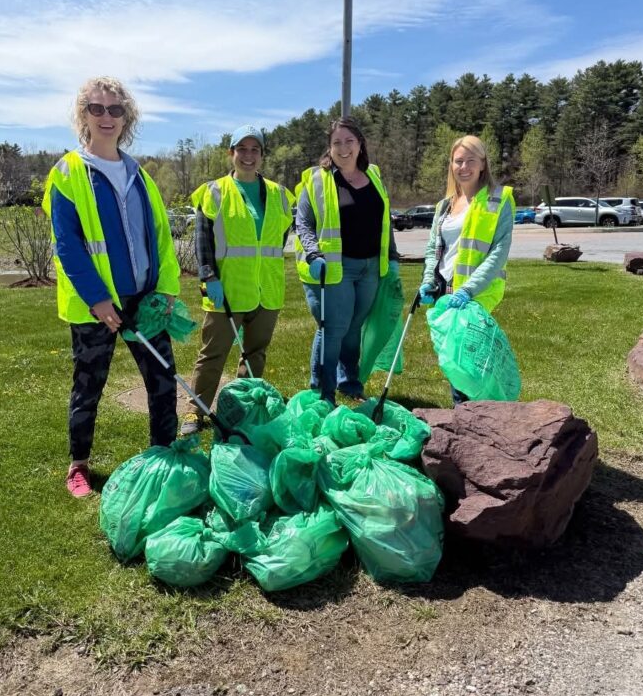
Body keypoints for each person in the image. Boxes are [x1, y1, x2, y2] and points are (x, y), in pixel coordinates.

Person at [43, 76, 180, 496]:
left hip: (144, 300)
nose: (107, 117)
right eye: (97, 109)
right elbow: (67, 246)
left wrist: (167, 289)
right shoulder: (67, 173)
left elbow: (161, 238)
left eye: (116, 110)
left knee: (163, 380)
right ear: (83, 115)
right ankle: (79, 465)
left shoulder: (140, 175)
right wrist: (99, 299)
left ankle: (164, 455)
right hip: (95, 308)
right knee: (89, 386)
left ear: (126, 118)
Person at [180, 126, 294, 436]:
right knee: (212, 353)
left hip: (267, 289)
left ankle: (242, 407)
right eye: (241, 149)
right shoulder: (215, 191)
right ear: (231, 153)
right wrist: (208, 275)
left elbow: (278, 239)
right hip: (226, 289)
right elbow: (202, 239)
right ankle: (196, 410)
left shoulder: (279, 195)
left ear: (262, 155)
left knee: (255, 353)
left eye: (255, 149)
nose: (248, 155)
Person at [294, 117, 399, 404]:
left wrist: (392, 257)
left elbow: (384, 221)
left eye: (349, 141)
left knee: (354, 329)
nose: (343, 148)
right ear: (329, 148)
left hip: (370, 268)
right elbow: (303, 223)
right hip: (336, 267)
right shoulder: (317, 180)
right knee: (333, 329)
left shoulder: (374, 175)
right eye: (337, 142)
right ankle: (323, 391)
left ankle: (349, 383)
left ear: (360, 144)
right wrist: (313, 252)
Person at [418, 134, 515, 404]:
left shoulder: (498, 200)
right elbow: (433, 249)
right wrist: (428, 280)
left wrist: (468, 290)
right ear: (451, 165)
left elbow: (499, 251)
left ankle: (475, 413)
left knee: (470, 362)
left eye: (471, 160)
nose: (464, 167)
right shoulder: (445, 205)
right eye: (458, 161)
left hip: (475, 292)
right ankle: (464, 415)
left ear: (483, 164)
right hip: (445, 290)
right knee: (452, 359)